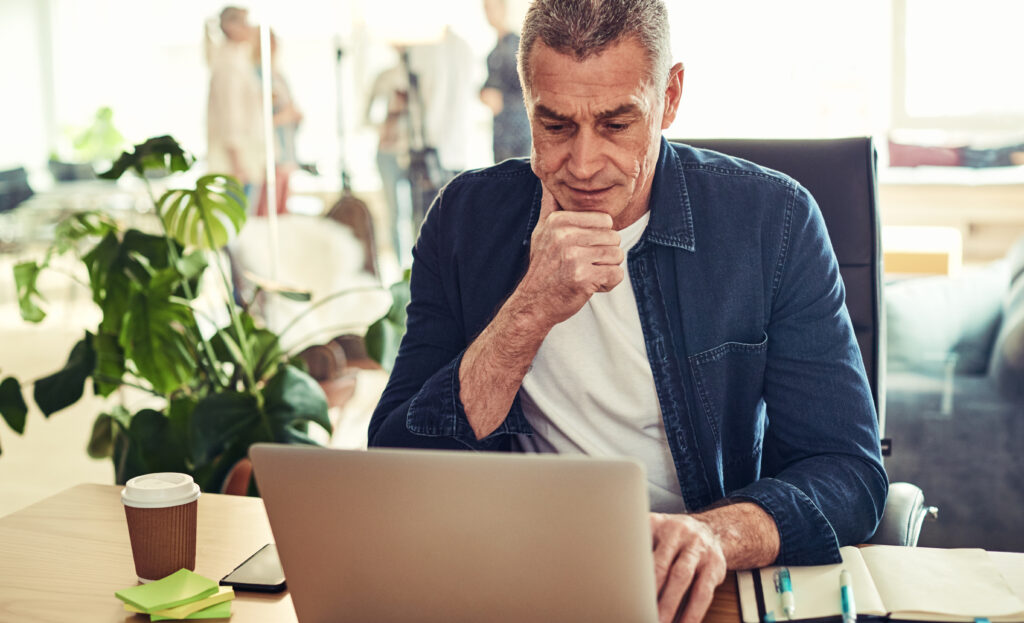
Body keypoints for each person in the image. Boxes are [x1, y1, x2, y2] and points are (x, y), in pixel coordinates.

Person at [367, 1, 887, 622]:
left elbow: (849, 473)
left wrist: (713, 535)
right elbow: (397, 470)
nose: (583, 166)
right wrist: (527, 313)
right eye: (555, 126)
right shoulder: (464, 219)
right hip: (511, 575)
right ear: (527, 101)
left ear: (669, 97)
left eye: (616, 125)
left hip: (689, 582)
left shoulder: (773, 222)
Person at [205, 6, 265, 209]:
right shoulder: (228, 64)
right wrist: (237, 163)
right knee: (236, 227)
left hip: (245, 157)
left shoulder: (239, 59)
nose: (251, 28)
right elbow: (231, 115)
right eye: (245, 23)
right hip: (236, 162)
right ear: (230, 27)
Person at [253, 29, 303, 217]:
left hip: (286, 150)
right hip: (269, 152)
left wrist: (295, 116)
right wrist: (283, 117)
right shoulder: (255, 75)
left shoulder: (279, 76)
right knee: (265, 211)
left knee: (282, 210)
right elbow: (255, 121)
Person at [480, 0, 531, 162]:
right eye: (486, 9)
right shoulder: (493, 52)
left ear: (503, 9)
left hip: (518, 134)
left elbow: (531, 92)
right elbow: (491, 86)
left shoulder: (518, 46)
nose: (488, 13)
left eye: (492, 8)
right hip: (501, 133)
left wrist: (503, 101)